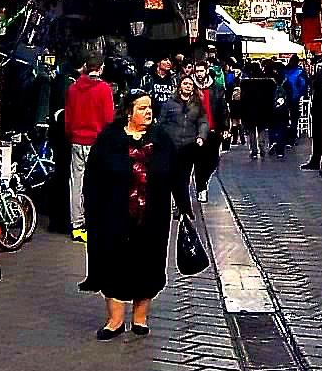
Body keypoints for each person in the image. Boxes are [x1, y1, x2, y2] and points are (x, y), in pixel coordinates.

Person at [82, 89, 192, 339]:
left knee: (148, 263)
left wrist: (184, 207)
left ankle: (140, 318)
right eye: (142, 108)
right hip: (115, 215)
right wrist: (91, 210)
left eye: (150, 107)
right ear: (128, 111)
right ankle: (115, 320)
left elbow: (176, 174)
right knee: (114, 262)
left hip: (152, 216)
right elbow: (93, 177)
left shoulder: (160, 138)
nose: (148, 112)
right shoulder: (109, 138)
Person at [64, 54, 115, 242]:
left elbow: (68, 118)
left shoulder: (73, 88)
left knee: (76, 183)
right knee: (98, 184)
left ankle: (77, 224)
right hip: (97, 142)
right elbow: (108, 120)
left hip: (77, 141)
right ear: (101, 68)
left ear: (86, 66)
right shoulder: (104, 89)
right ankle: (95, 220)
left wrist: (72, 134)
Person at [157, 70, 207, 207]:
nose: (188, 86)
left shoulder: (197, 105)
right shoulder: (169, 103)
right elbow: (161, 122)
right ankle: (179, 203)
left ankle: (183, 205)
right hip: (171, 145)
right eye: (185, 83)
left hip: (188, 146)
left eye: (190, 84)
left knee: (184, 177)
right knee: (172, 175)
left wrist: (201, 136)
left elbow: (203, 121)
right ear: (180, 86)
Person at [192, 61, 229, 202]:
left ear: (206, 70)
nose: (199, 74)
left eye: (202, 71)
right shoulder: (192, 87)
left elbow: (223, 108)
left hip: (214, 130)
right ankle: (201, 188)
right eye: (197, 71)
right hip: (197, 131)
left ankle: (203, 183)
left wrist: (225, 127)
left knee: (213, 160)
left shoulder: (217, 88)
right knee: (199, 161)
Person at [239, 62, 275, 158]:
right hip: (263, 109)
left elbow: (242, 97)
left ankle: (254, 150)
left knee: (251, 130)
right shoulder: (267, 82)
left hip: (249, 109)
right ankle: (262, 148)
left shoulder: (245, 83)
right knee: (262, 129)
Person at [283, 54, 307, 146]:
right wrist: (301, 94)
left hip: (284, 98)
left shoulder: (285, 71)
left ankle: (285, 137)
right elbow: (303, 84)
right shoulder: (300, 71)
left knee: (285, 118)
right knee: (294, 118)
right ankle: (292, 138)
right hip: (294, 98)